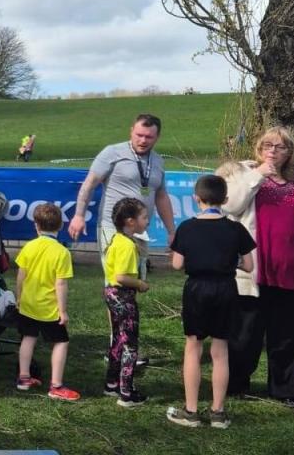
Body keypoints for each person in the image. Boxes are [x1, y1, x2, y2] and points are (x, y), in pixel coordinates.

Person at [217, 126, 294, 407]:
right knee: (245, 333)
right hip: (255, 268)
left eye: (280, 147)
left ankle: (285, 388)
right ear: (259, 148)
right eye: (267, 145)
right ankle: (236, 384)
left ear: (290, 152)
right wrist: (258, 175)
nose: (273, 151)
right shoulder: (242, 172)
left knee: (292, 333)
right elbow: (230, 206)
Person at [166, 175, 255, 429]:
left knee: (193, 348)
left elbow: (177, 264)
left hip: (196, 289)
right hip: (226, 289)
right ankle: (218, 411)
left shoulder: (187, 227)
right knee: (220, 351)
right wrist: (230, 262)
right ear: (225, 200)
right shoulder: (235, 229)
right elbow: (248, 265)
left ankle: (191, 410)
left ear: (197, 198)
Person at [68, 114, 176, 278]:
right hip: (113, 228)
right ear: (131, 131)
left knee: (137, 276)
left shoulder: (158, 161)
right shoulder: (112, 153)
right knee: (116, 279)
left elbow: (161, 196)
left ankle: (131, 304)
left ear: (157, 137)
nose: (143, 140)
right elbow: (89, 185)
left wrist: (171, 231)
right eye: (139, 135)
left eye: (149, 137)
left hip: (140, 229)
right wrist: (78, 215)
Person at [14, 203, 80, 401]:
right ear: (60, 226)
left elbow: (20, 276)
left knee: (28, 337)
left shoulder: (29, 247)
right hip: (49, 308)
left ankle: (23, 378)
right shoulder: (62, 253)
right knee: (61, 342)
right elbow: (60, 284)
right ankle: (56, 386)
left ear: (36, 225)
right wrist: (63, 310)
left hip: (28, 304)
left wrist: (19, 297)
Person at [102, 197, 151, 408]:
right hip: (123, 296)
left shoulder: (117, 239)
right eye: (144, 217)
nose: (147, 221)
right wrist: (140, 283)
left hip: (112, 295)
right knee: (130, 344)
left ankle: (112, 383)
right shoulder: (127, 246)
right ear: (131, 221)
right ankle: (126, 392)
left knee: (118, 340)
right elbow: (121, 276)